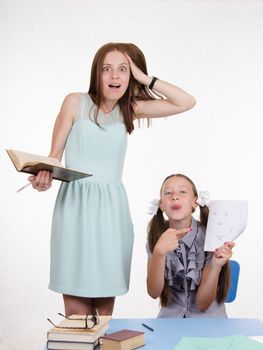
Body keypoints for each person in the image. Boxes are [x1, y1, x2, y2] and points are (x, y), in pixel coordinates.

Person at [29, 43, 196, 317]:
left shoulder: (129, 109)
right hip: (75, 208)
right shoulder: (75, 102)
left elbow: (186, 102)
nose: (114, 76)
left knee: (103, 318)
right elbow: (54, 157)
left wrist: (145, 79)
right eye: (107, 69)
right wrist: (44, 178)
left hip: (111, 211)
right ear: (97, 73)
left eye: (123, 70)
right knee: (77, 316)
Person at [147, 174, 235, 318]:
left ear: (195, 202)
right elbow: (153, 292)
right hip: (170, 322)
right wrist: (159, 252)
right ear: (161, 204)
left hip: (209, 321)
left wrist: (215, 266)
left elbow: (202, 303)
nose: (175, 197)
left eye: (182, 192)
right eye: (168, 193)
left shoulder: (211, 235)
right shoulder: (156, 237)